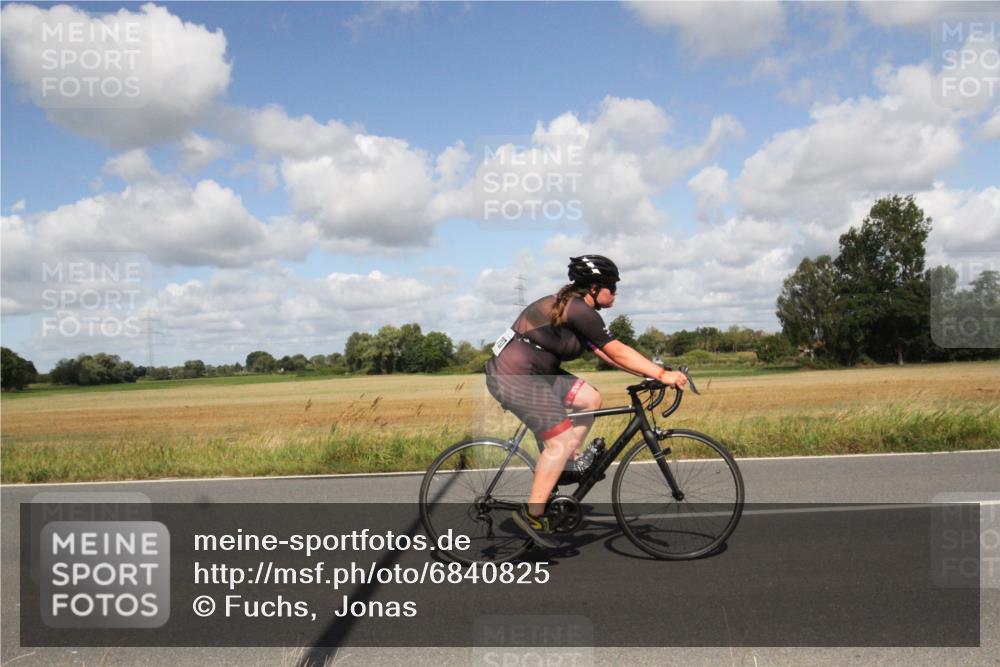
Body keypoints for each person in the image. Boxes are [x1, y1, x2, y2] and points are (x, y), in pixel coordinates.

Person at [485, 255, 687, 548]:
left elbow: (608, 354)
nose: (616, 293)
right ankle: (533, 515)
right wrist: (662, 374)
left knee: (590, 397)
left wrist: (654, 374)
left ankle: (567, 465)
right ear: (594, 288)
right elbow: (616, 351)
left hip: (537, 373)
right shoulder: (577, 309)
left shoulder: (580, 309)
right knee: (560, 442)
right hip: (516, 376)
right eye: (612, 287)